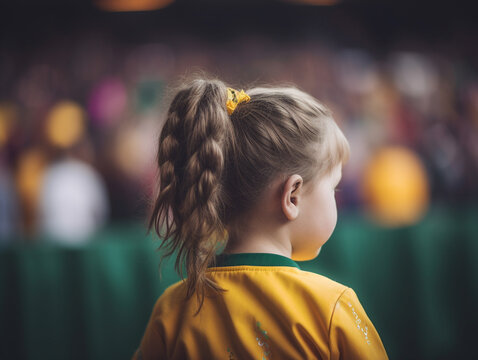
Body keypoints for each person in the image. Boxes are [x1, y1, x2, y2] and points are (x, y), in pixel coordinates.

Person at [133, 77, 388, 359]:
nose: (336, 198)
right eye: (333, 187)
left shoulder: (171, 310)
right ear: (293, 196)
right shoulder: (329, 307)